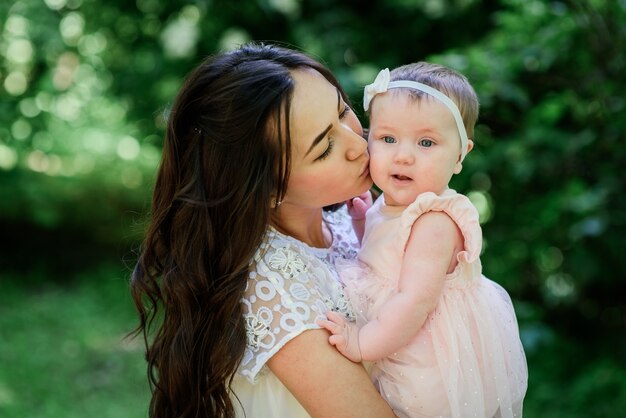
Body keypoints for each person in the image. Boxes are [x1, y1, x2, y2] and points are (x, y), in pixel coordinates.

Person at [129, 42, 398, 418]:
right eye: (323, 149)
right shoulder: (274, 286)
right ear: (267, 186)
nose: (358, 144)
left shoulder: (346, 221)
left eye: (343, 111)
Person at [318, 63, 528, 418]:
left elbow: (414, 300)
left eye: (426, 142)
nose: (403, 155)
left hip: (425, 351)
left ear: (461, 155)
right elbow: (384, 258)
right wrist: (361, 222)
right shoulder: (392, 203)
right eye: (387, 139)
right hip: (393, 332)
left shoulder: (435, 221)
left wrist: (361, 342)